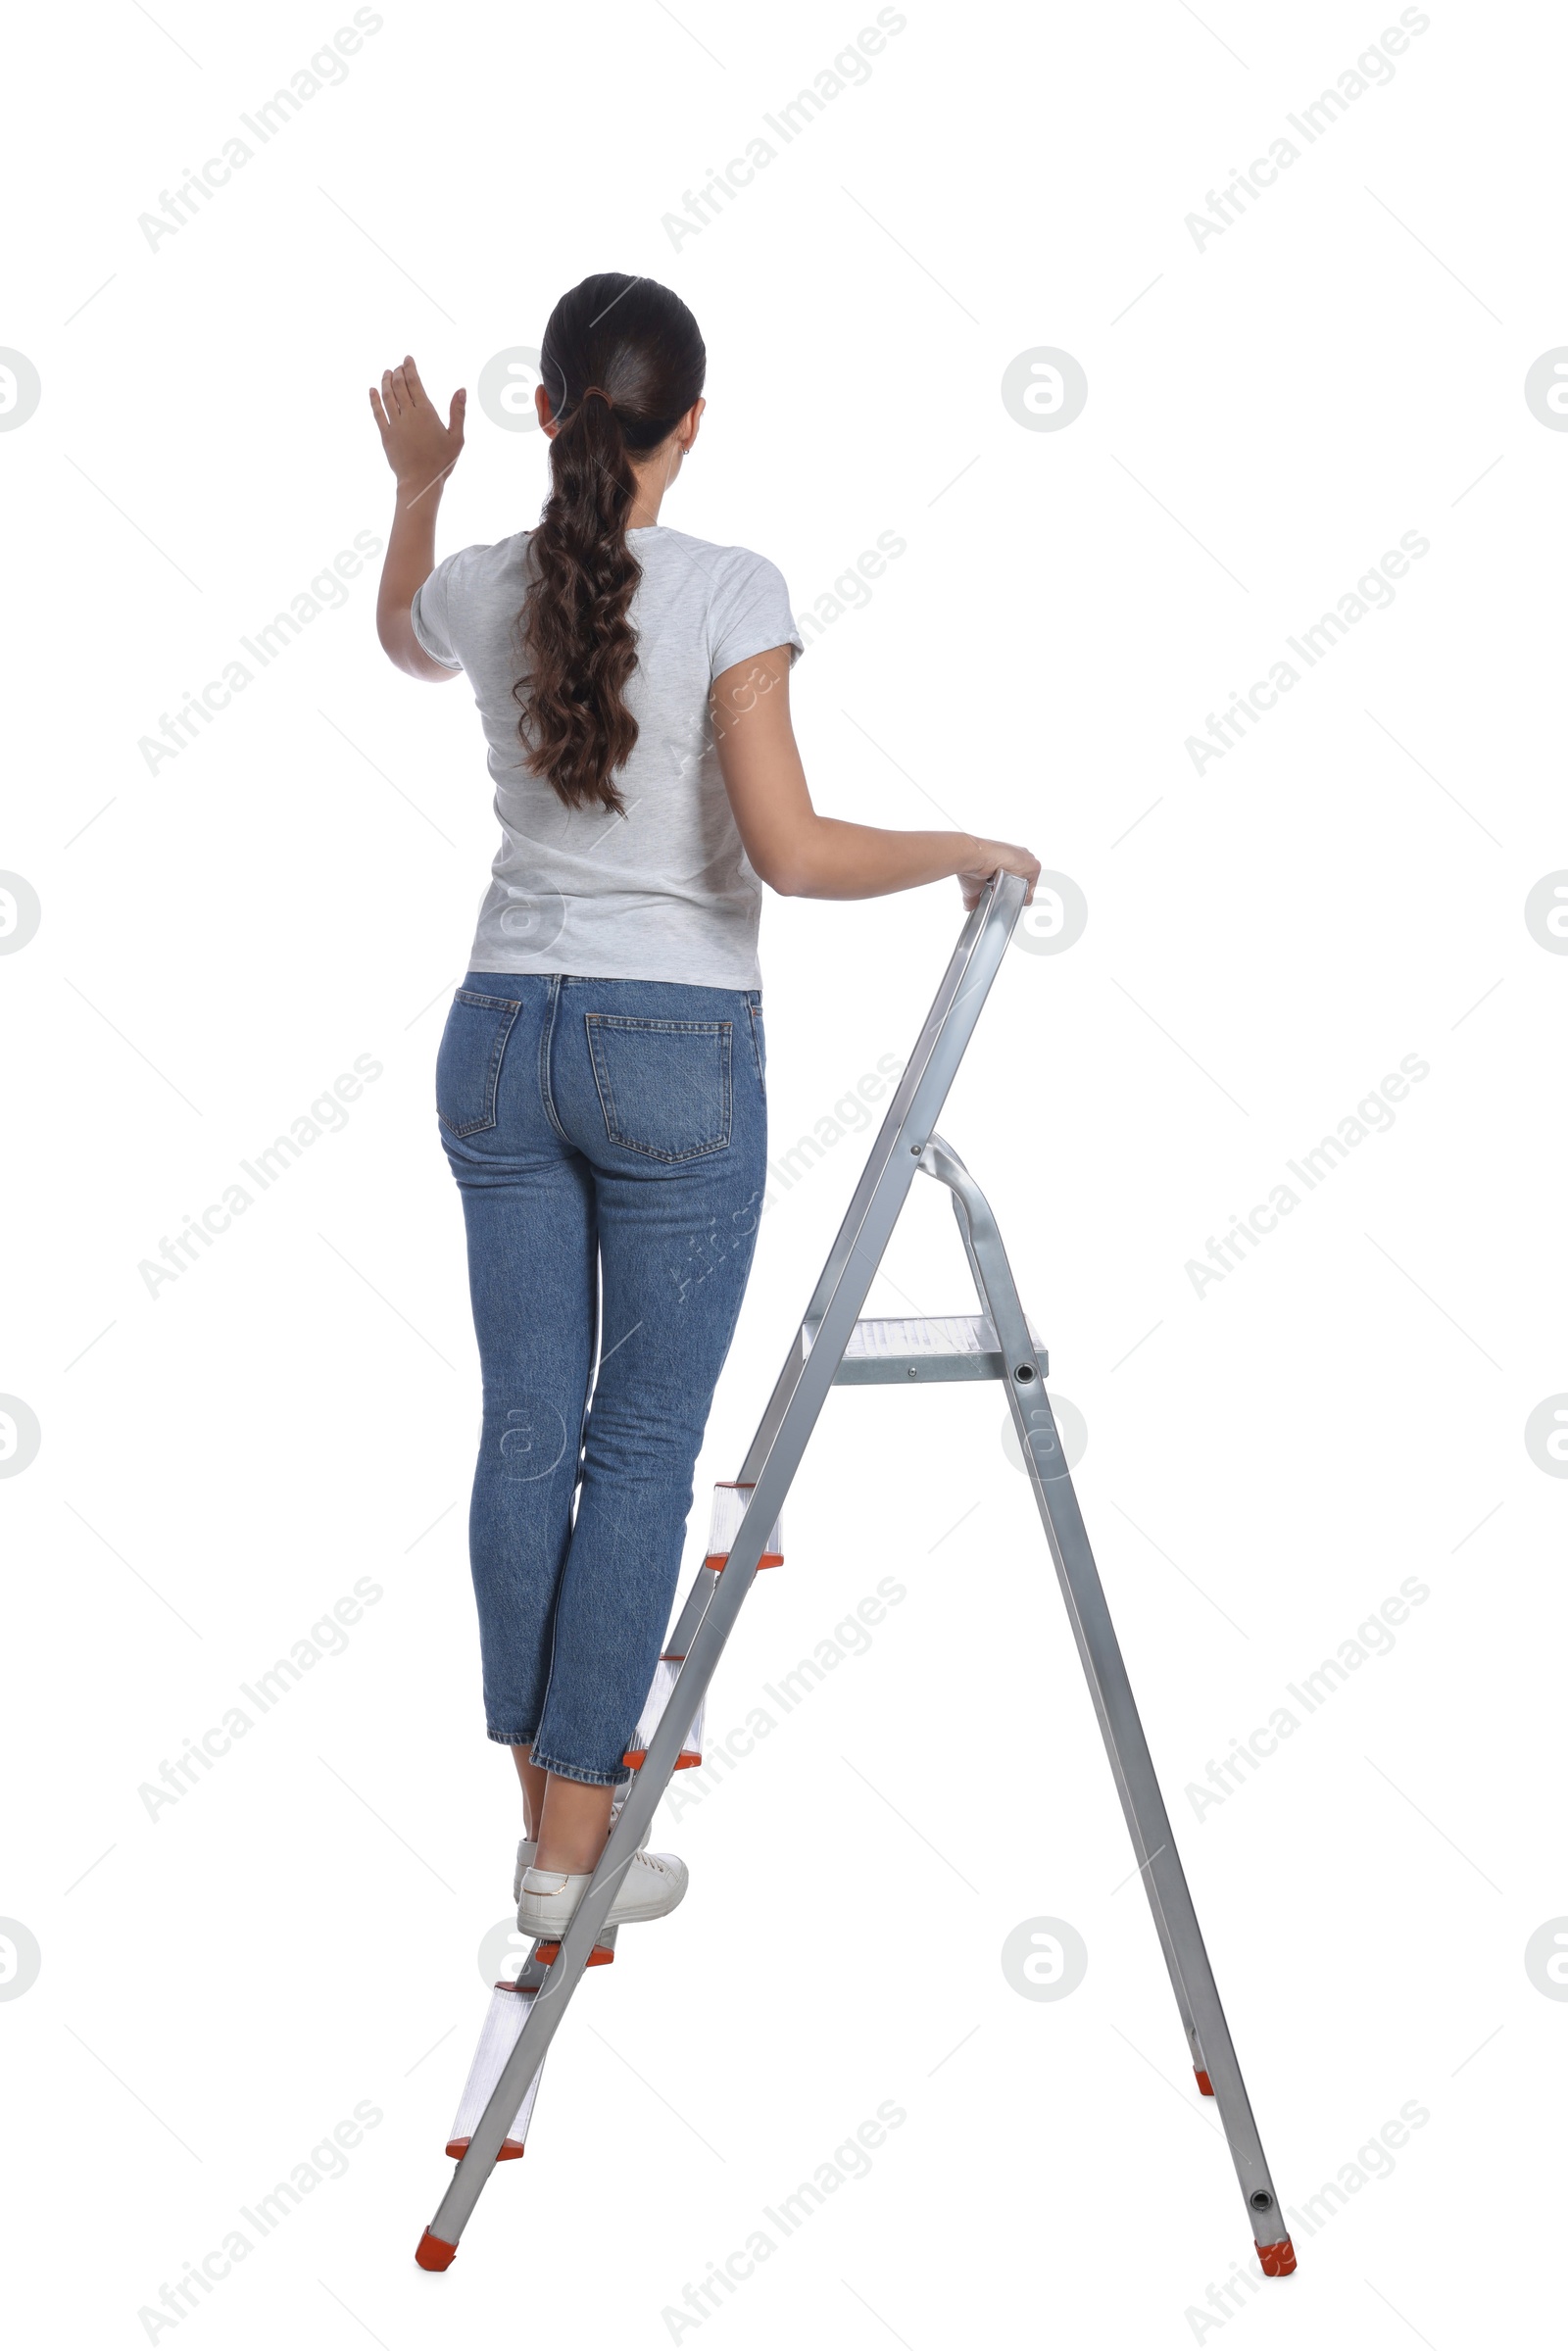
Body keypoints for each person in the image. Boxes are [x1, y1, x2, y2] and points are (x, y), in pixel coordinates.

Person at [369, 271, 1039, 1940]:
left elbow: (398, 634)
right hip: (671, 1051)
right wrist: (969, 845)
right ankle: (572, 1851)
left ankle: (549, 1825)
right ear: (692, 426)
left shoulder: (481, 581)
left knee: (528, 1428)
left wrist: (413, 487)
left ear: (547, 415)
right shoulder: (732, 588)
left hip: (499, 1037)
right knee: (641, 1448)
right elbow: (799, 859)